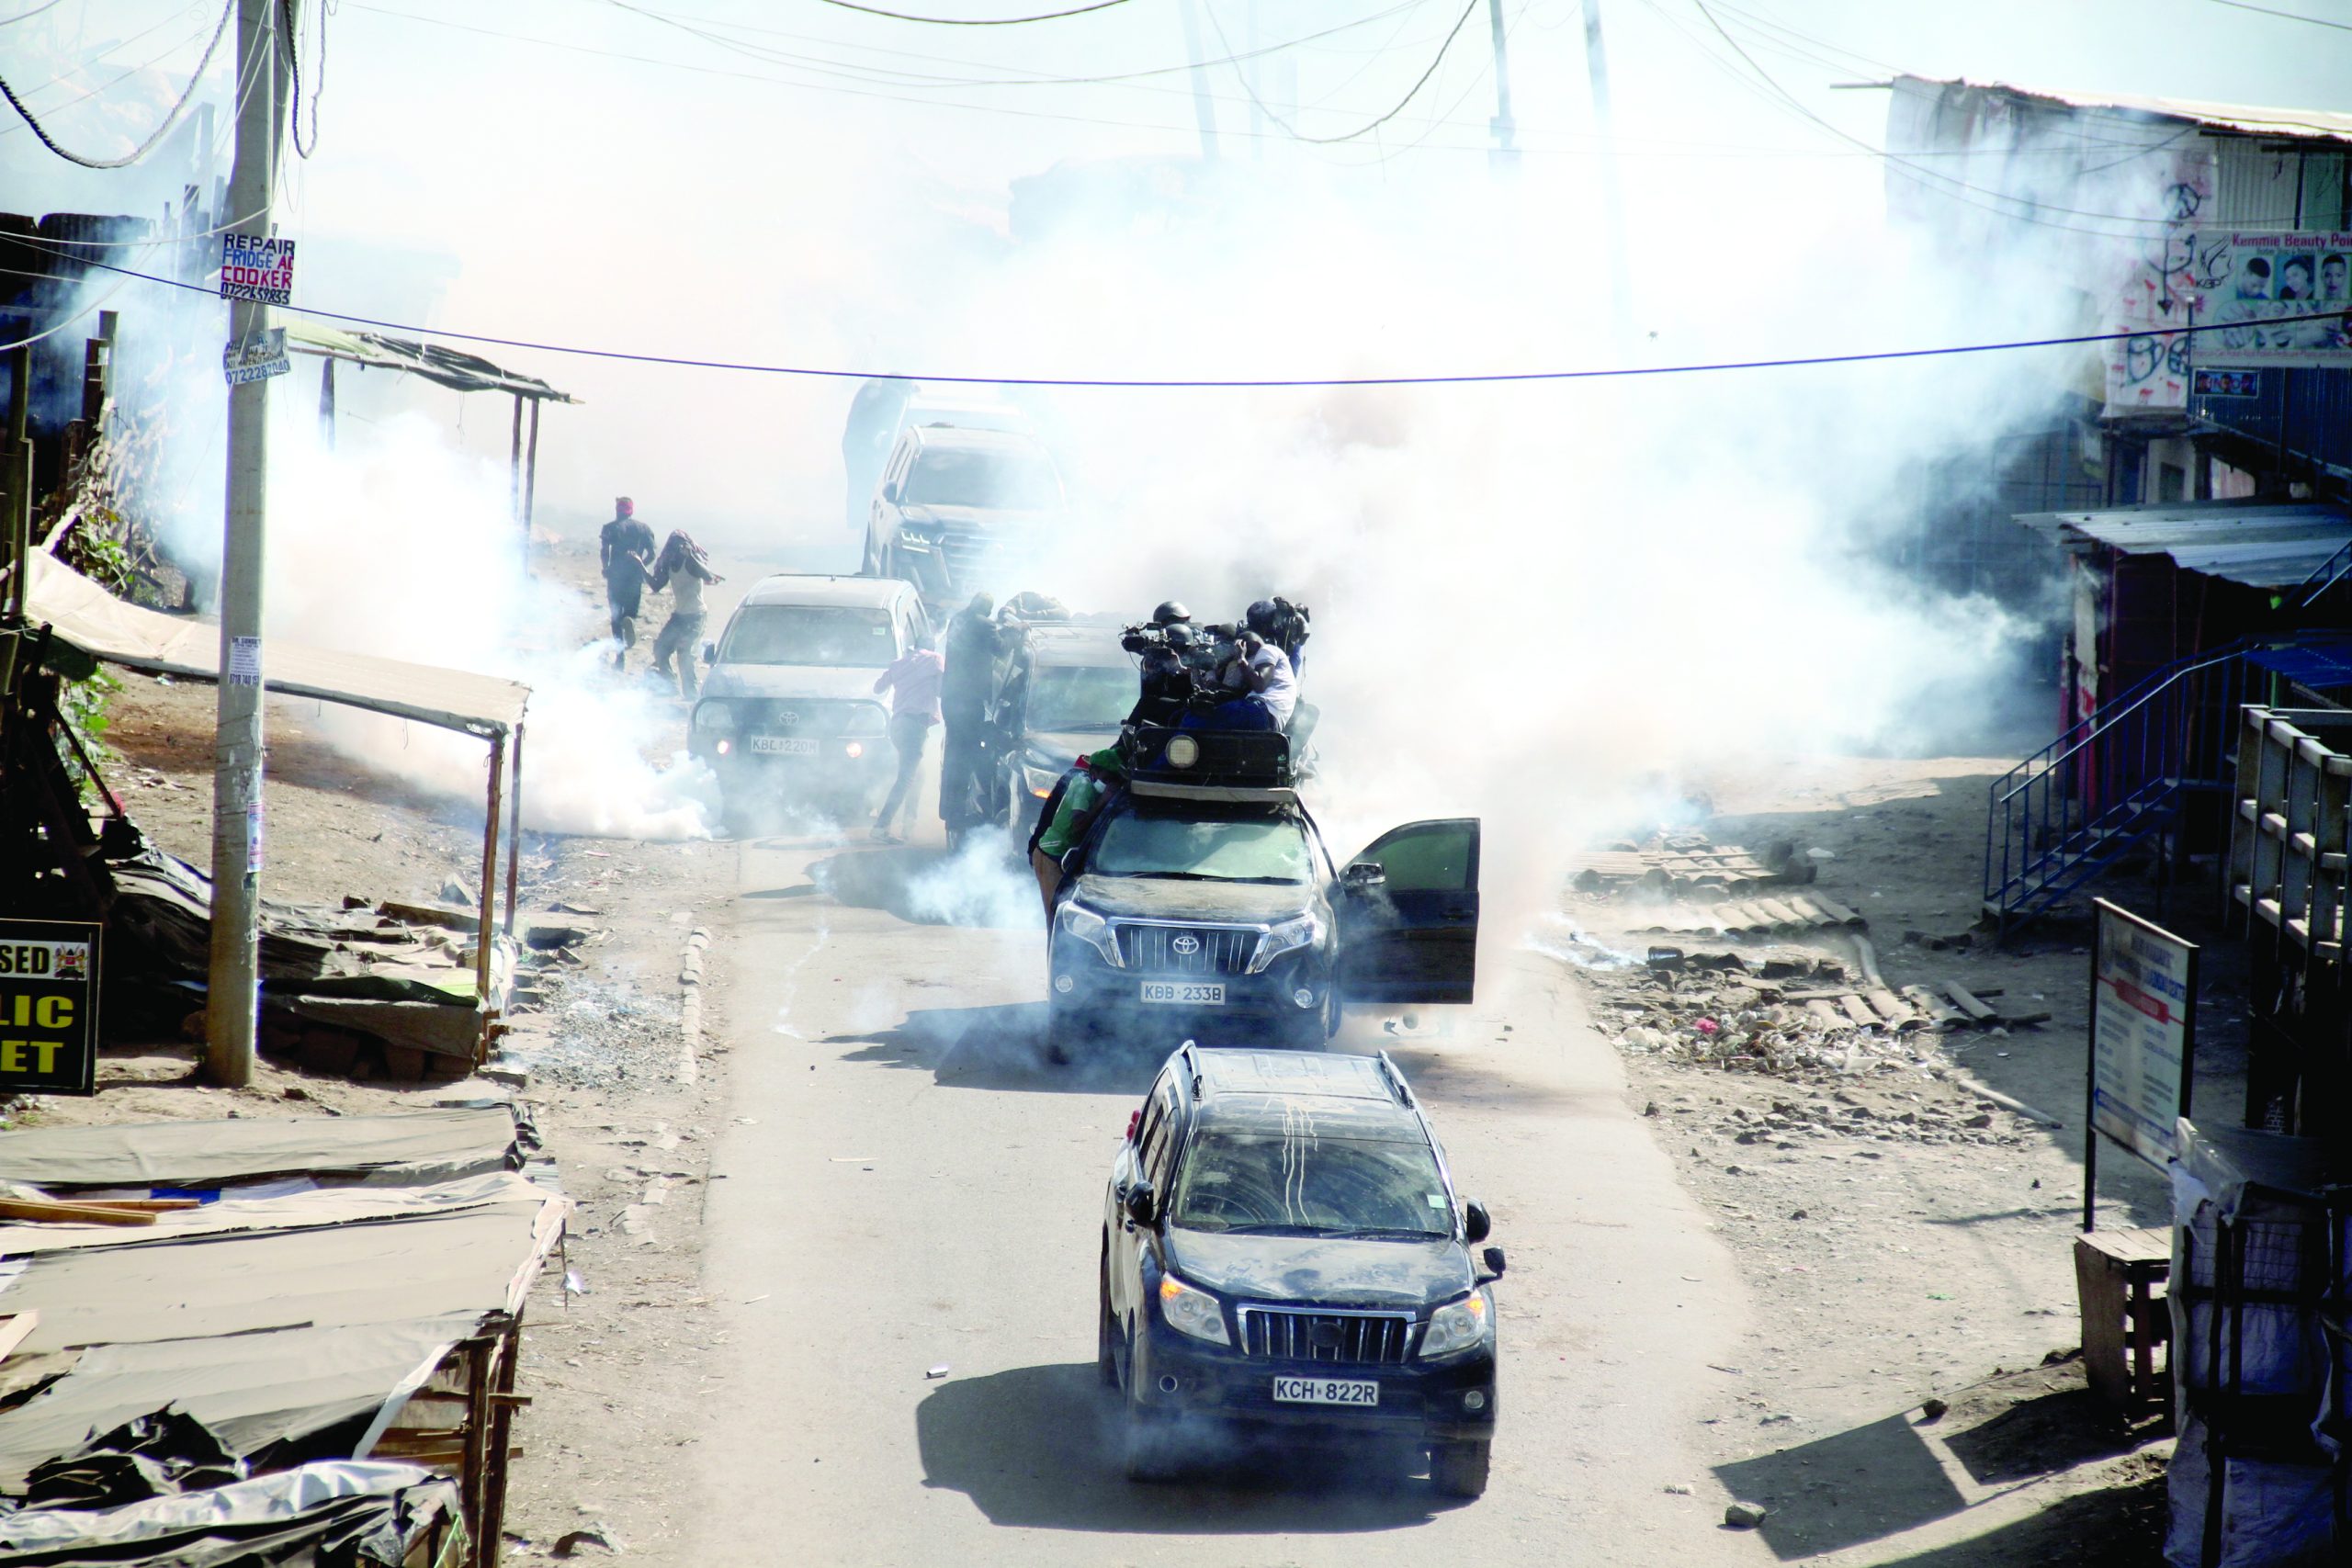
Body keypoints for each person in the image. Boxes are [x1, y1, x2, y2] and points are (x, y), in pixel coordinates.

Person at [870, 634, 944, 842]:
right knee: (906, 779)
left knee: (917, 775)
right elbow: (940, 691)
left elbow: (878, 688)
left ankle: (908, 825)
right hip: (915, 726)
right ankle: (881, 827)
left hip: (897, 724)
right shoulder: (935, 659)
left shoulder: (898, 663)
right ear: (931, 647)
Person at [939, 592, 1000, 843]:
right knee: (970, 754)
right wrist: (1014, 630)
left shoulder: (958, 619)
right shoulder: (985, 624)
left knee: (954, 755)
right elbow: (1001, 649)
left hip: (951, 698)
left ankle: (951, 812)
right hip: (969, 700)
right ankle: (972, 811)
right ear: (987, 608)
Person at [649, 531, 723, 699]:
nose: (678, 549)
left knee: (685, 655)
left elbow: (708, 576)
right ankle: (671, 686)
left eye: (681, 545)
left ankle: (691, 696)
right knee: (660, 649)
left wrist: (691, 557)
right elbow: (655, 585)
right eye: (675, 546)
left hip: (696, 615)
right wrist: (639, 564)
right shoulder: (669, 564)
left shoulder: (690, 563)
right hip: (680, 616)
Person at [598, 498, 656, 671]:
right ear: (632, 511)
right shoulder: (643, 528)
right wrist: (640, 564)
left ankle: (620, 657)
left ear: (617, 510)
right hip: (635, 578)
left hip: (616, 578)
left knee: (615, 618)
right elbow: (652, 554)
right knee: (630, 614)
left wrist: (606, 568)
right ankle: (629, 618)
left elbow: (604, 551)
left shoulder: (610, 528)